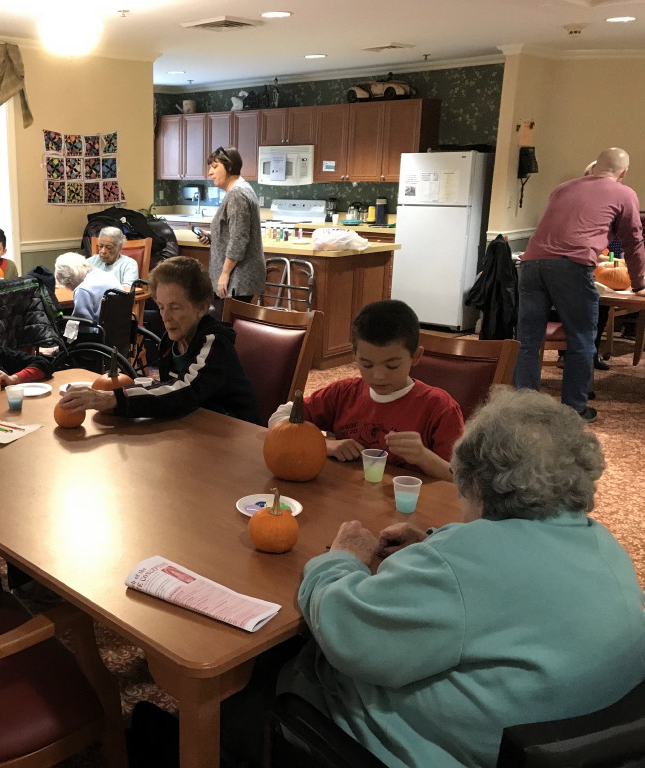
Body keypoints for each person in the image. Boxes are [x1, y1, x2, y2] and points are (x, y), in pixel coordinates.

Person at [266, 388, 645, 768]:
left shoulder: (464, 566)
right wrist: (435, 542)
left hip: (431, 752)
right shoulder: (604, 543)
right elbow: (502, 576)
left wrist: (341, 560)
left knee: (280, 666)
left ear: (475, 482)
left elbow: (347, 636)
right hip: (576, 740)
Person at [513, 147, 645, 422]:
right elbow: (633, 240)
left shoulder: (563, 188)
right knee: (582, 339)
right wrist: (639, 282)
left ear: (595, 167)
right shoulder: (624, 193)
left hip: (531, 263)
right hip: (571, 267)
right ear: (624, 172)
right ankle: (575, 409)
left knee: (528, 342)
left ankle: (523, 407)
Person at [268, 299, 463, 481]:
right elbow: (280, 418)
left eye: (392, 365)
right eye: (367, 364)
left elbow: (463, 481)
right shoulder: (344, 393)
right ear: (354, 355)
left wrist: (423, 457)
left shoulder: (439, 407)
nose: (378, 376)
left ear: (416, 356)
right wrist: (325, 445)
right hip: (347, 498)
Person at [59, 256, 260, 424]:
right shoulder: (170, 342)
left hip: (234, 433)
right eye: (161, 306)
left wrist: (113, 398)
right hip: (195, 429)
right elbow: (167, 393)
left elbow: (184, 391)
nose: (165, 316)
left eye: (175, 307)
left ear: (201, 307)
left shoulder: (214, 342)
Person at [195, 147, 264, 315]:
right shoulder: (243, 190)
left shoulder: (236, 195)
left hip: (237, 278)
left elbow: (239, 239)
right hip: (240, 277)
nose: (210, 172)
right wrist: (214, 237)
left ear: (230, 167)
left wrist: (225, 274)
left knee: (225, 328)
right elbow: (235, 231)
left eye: (215, 166)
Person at [53, 251, 120, 323]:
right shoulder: (109, 276)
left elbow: (82, 324)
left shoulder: (82, 290)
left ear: (70, 279)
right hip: (120, 327)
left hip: (97, 331)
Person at [88, 225, 140, 290]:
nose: (103, 251)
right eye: (100, 246)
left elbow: (127, 290)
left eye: (109, 248)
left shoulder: (129, 264)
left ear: (119, 247)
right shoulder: (94, 260)